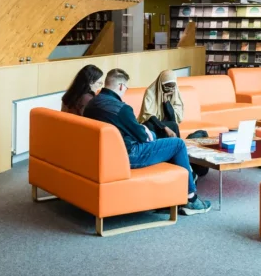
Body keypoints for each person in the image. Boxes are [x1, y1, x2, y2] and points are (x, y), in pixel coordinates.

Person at [84, 68, 211, 215]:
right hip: (129, 155)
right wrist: (149, 133)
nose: (125, 91)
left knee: (165, 142)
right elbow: (144, 137)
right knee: (178, 143)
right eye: (126, 88)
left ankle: (170, 197)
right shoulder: (121, 109)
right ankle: (191, 198)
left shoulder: (91, 104)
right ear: (120, 86)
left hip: (105, 154)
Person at [137, 69, 183, 138]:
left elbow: (173, 119)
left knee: (173, 125)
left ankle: (176, 147)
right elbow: (149, 116)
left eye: (172, 86)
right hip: (153, 123)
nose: (170, 89)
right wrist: (165, 128)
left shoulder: (175, 93)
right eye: (167, 86)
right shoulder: (150, 92)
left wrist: (166, 101)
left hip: (165, 123)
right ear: (161, 84)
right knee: (149, 126)